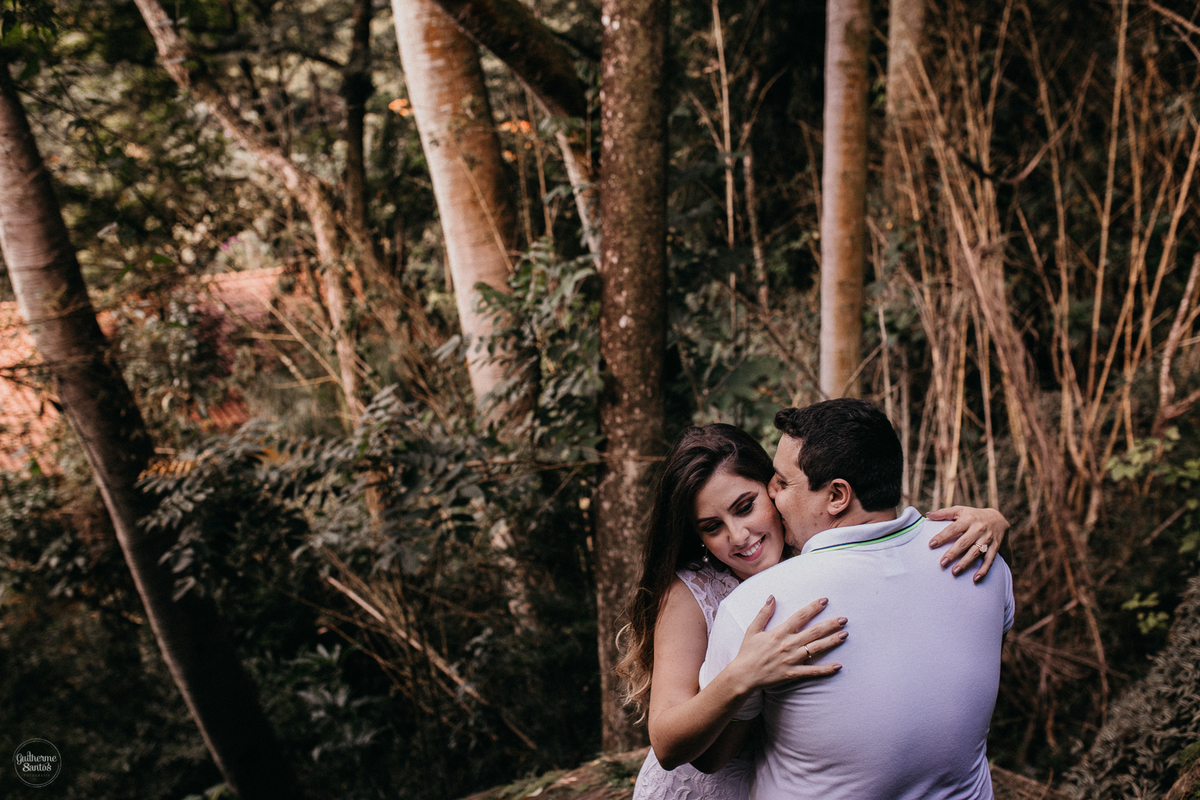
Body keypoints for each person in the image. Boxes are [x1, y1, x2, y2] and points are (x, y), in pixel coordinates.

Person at [617, 422, 1009, 800]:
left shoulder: (813, 551)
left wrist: (990, 518)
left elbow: (882, 534)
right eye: (712, 527)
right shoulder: (692, 591)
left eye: (745, 507)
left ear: (775, 489)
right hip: (704, 786)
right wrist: (743, 675)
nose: (738, 536)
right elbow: (667, 740)